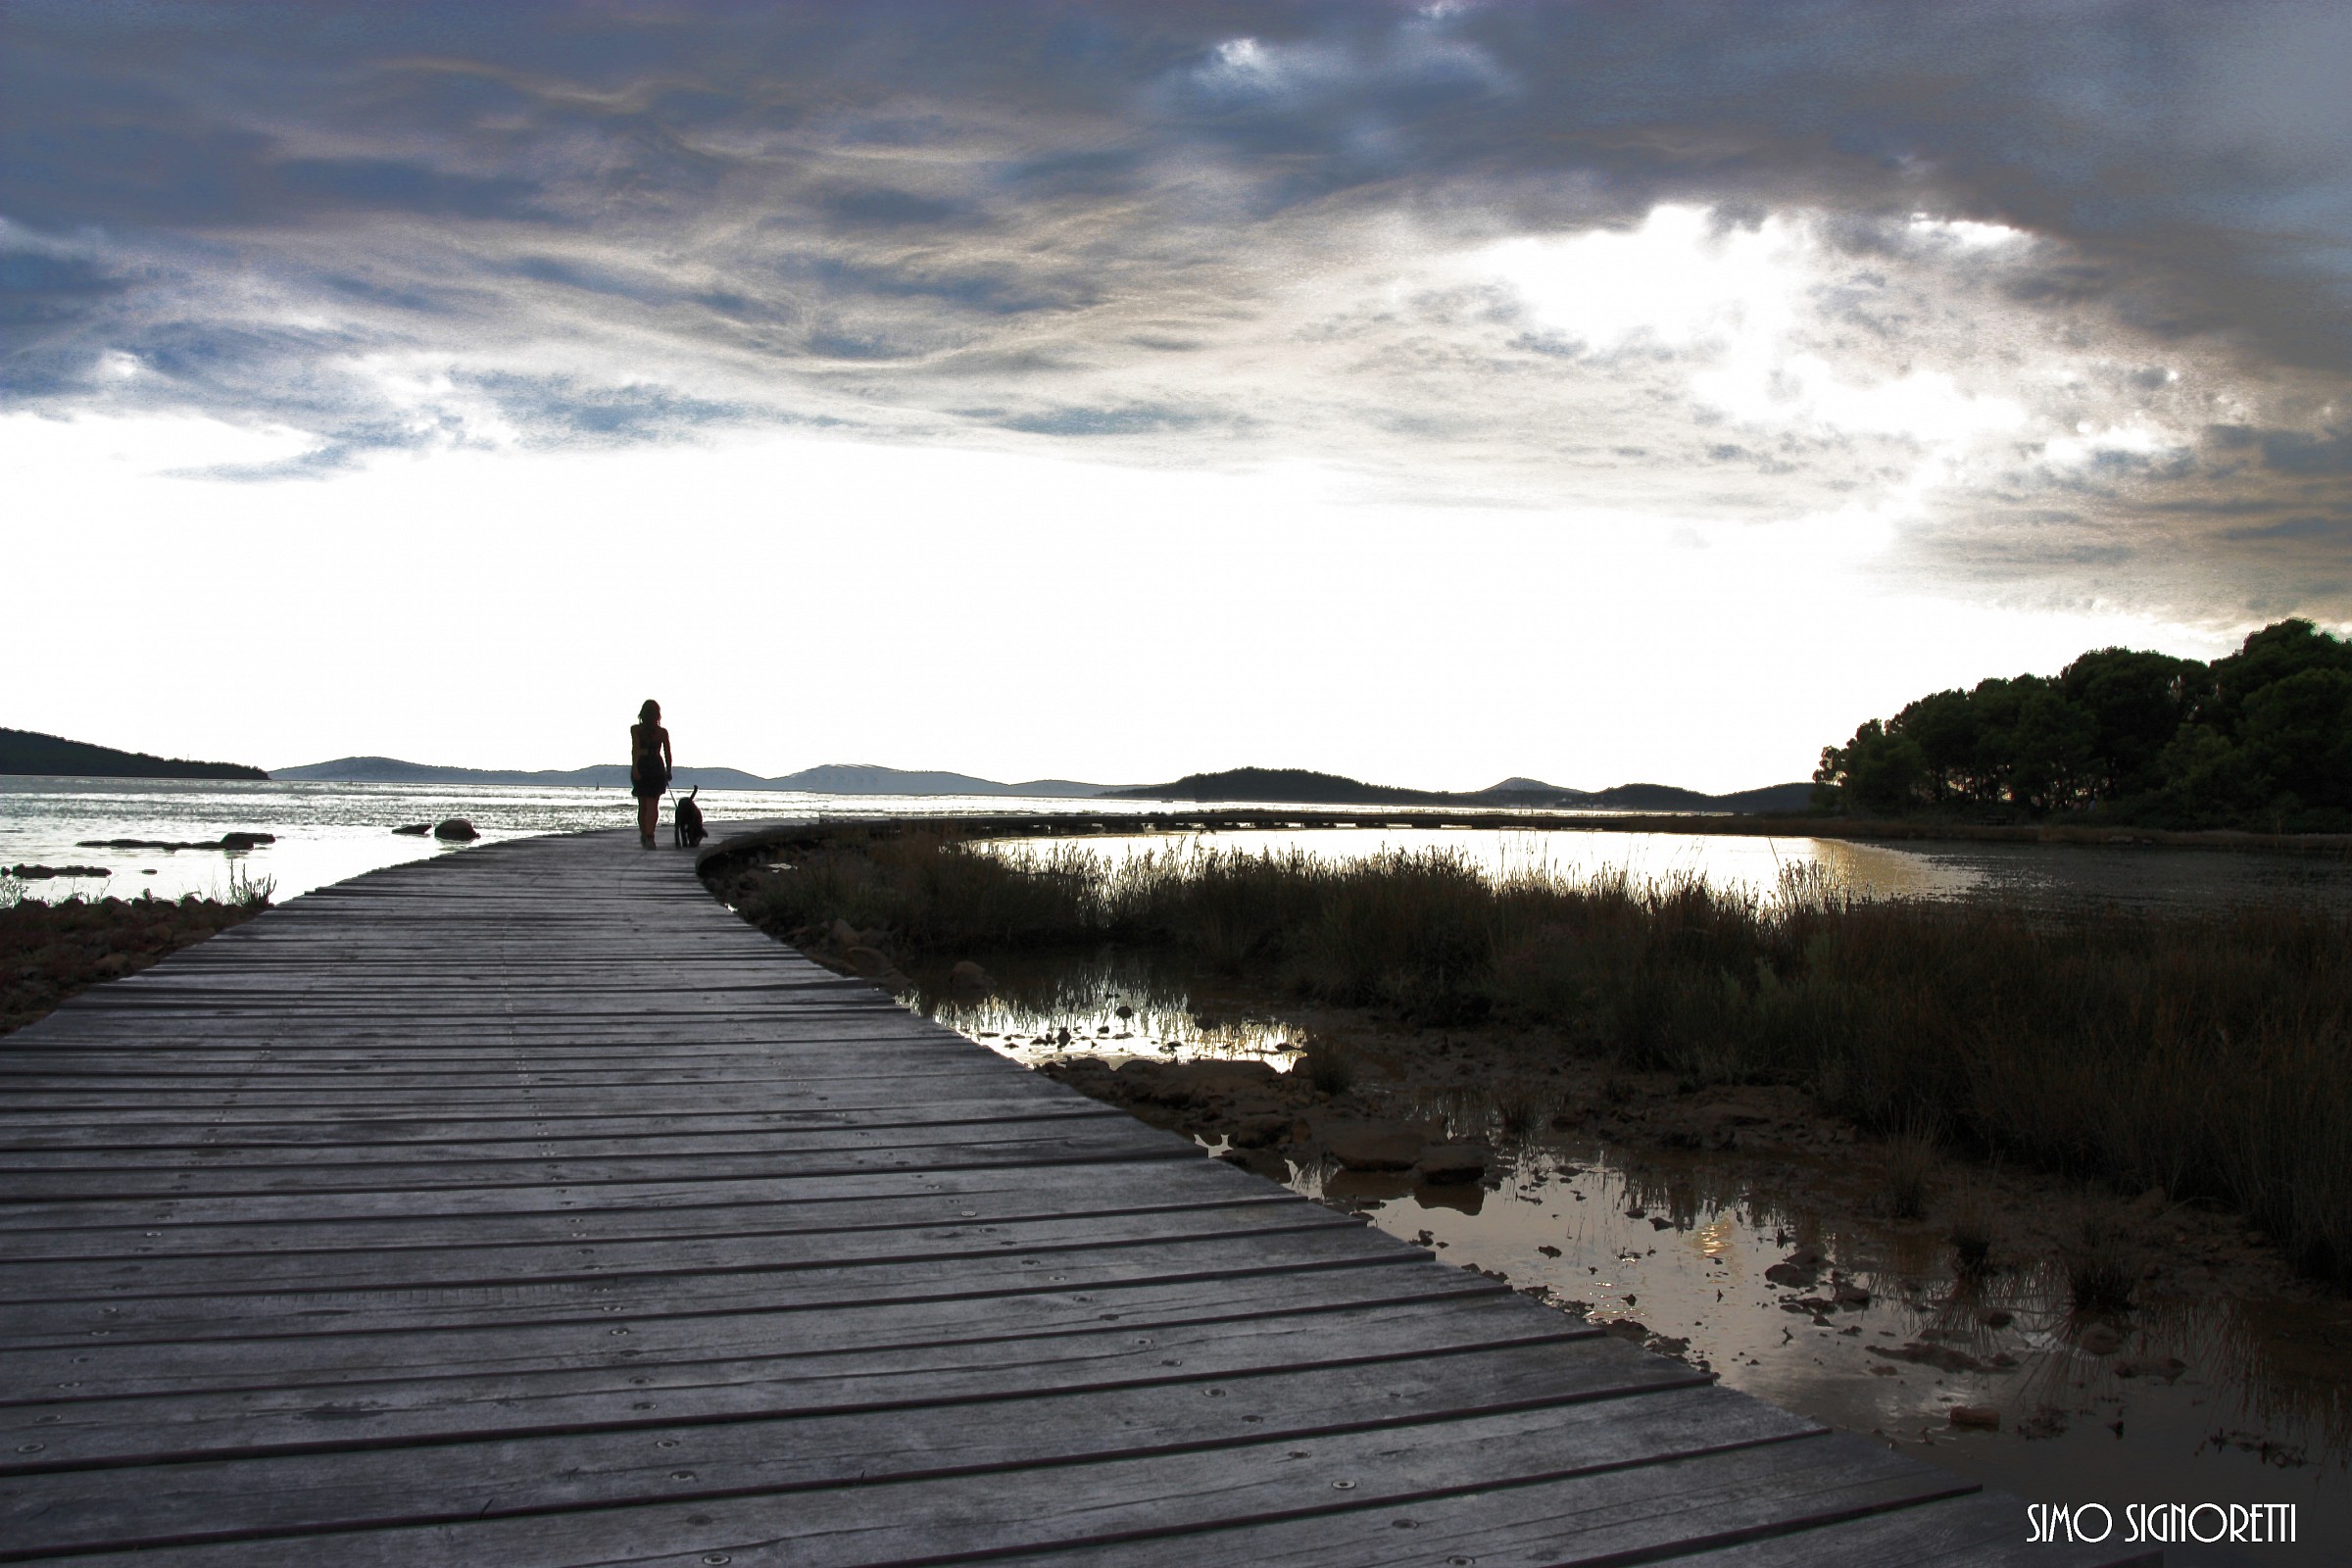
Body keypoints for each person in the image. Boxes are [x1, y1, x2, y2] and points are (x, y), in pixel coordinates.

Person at [629, 699, 672, 848]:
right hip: (656, 766)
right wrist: (669, 770)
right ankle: (649, 835)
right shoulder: (661, 732)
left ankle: (645, 834)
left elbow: (635, 750)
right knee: (653, 804)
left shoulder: (636, 730)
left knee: (643, 805)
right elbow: (667, 753)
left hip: (642, 764)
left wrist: (635, 768)